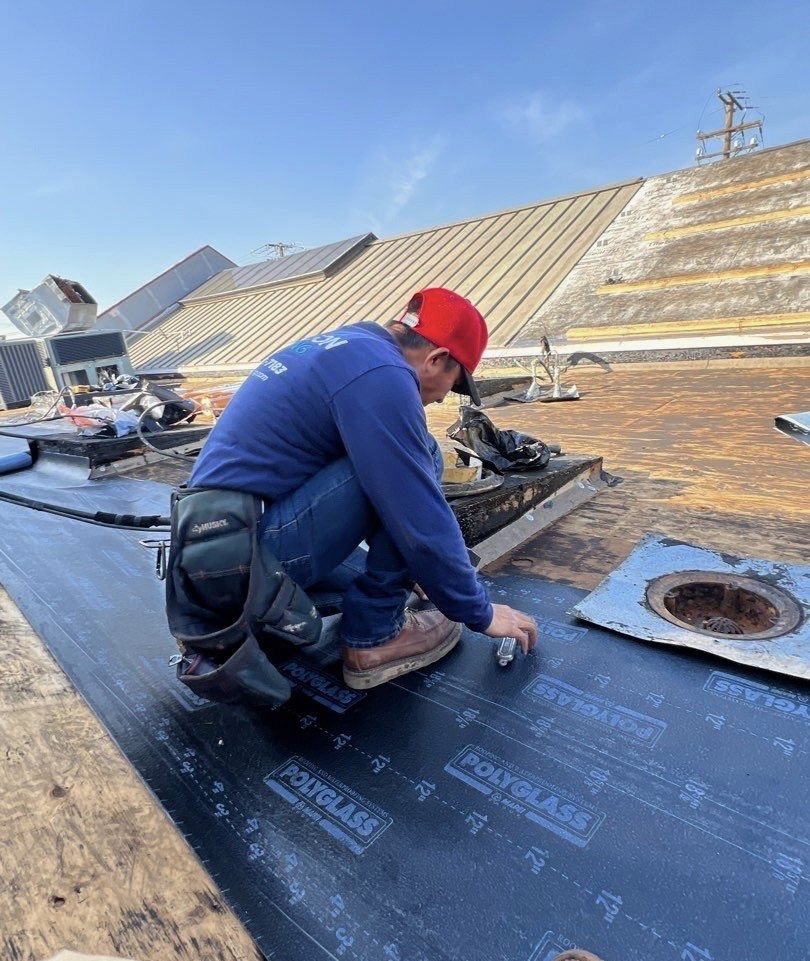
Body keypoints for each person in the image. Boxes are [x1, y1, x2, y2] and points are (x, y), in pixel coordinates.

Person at [187, 287, 537, 690]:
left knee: (390, 570)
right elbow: (416, 512)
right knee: (420, 454)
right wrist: (479, 611)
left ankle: (325, 606)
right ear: (438, 359)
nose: (441, 399)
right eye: (454, 386)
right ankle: (376, 638)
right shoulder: (382, 375)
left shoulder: (350, 347)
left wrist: (430, 574)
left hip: (212, 560)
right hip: (243, 561)